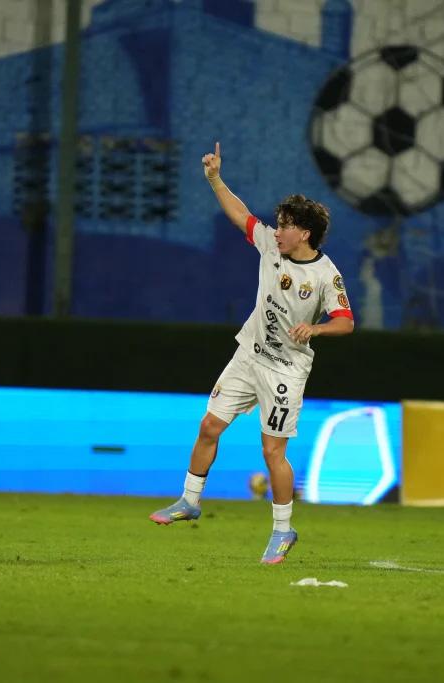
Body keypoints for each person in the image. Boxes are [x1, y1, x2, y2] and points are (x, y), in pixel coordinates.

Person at [149, 142, 354, 564]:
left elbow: (346, 321)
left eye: (285, 226)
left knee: (272, 452)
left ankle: (282, 530)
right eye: (277, 224)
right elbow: (240, 214)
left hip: (285, 371)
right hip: (249, 355)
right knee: (209, 426)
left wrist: (315, 327)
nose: (276, 231)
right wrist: (214, 179)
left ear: (305, 233)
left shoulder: (325, 274)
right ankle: (189, 500)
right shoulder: (270, 248)